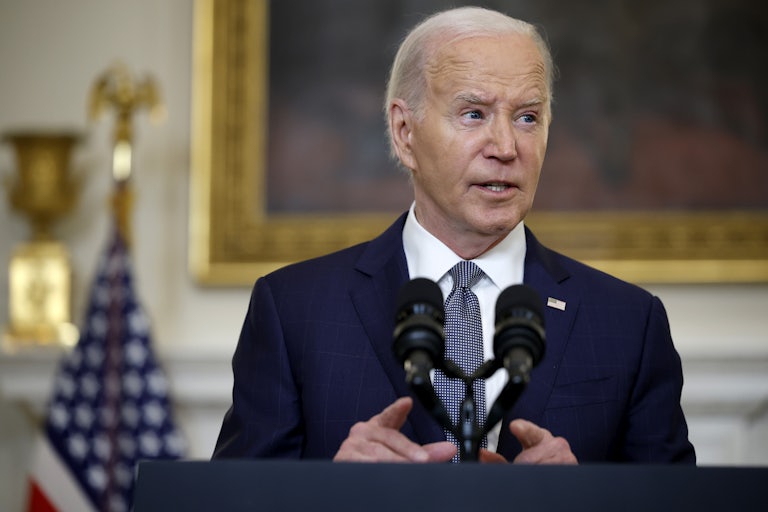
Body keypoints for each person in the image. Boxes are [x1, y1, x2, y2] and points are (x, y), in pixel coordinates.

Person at [213, 6, 696, 465]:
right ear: (404, 133)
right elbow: (232, 500)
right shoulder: (294, 310)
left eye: (527, 117)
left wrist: (583, 498)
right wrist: (332, 491)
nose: (506, 147)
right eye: (474, 114)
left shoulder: (629, 323)